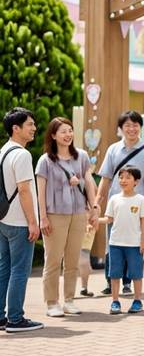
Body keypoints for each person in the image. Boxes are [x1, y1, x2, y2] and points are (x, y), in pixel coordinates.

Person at [35, 117, 99, 318]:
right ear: (53, 135)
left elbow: (89, 182)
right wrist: (42, 217)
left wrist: (94, 207)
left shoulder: (81, 156)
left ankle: (69, 300)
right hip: (54, 214)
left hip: (78, 213)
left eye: (70, 130)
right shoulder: (45, 161)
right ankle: (52, 302)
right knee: (53, 260)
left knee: (72, 260)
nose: (68, 134)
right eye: (63, 131)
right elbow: (40, 192)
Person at [95, 111, 144, 296]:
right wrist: (97, 202)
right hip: (115, 204)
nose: (131, 129)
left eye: (135, 125)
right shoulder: (113, 149)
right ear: (121, 128)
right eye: (127, 125)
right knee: (112, 242)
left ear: (140, 127)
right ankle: (110, 280)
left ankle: (128, 282)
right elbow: (105, 178)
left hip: (137, 206)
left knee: (133, 243)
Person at [0, 108, 43, 333]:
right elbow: (24, 190)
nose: (34, 128)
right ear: (16, 128)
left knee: (4, 269)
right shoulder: (23, 155)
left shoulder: (3, 151)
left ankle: (1, 317)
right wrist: (33, 222)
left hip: (3, 220)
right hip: (19, 222)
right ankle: (15, 319)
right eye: (30, 124)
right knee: (19, 270)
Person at [101, 167, 144, 314]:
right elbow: (108, 219)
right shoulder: (114, 199)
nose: (123, 180)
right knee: (115, 274)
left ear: (136, 181)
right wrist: (95, 221)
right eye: (121, 177)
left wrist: (143, 242)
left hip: (134, 244)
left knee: (136, 274)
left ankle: (137, 301)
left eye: (128, 177)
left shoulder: (140, 200)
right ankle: (115, 302)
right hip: (115, 244)